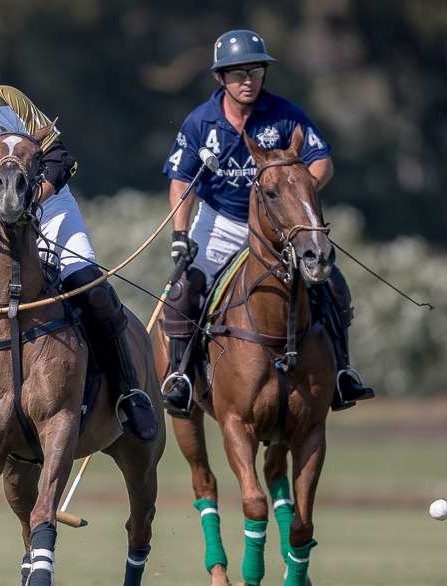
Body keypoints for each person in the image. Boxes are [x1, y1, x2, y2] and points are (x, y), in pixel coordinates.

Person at [0, 43, 158, 473]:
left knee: (88, 286)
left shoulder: (5, 100)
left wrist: (27, 204)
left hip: (49, 209)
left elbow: (59, 158)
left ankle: (130, 394)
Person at [160, 29, 374, 415]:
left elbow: (321, 161)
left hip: (280, 225)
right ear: (220, 78)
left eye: (255, 71)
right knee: (182, 292)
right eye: (238, 72)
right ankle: (182, 376)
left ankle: (342, 372)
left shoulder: (286, 115)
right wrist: (179, 235)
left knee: (331, 283)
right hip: (221, 222)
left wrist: (298, 193)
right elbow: (181, 183)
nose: (248, 80)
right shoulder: (200, 124)